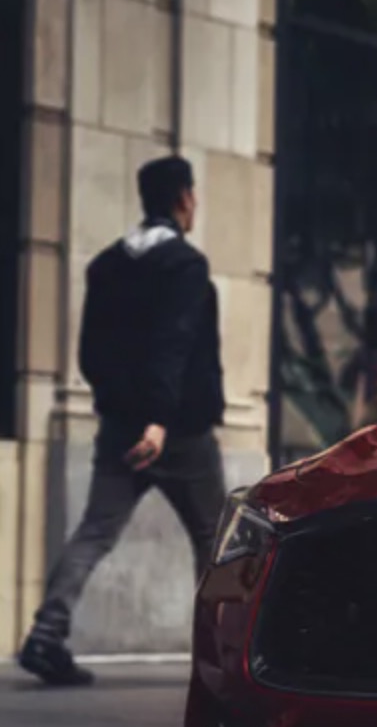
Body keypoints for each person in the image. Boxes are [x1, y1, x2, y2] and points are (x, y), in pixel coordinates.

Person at [15, 156, 226, 686]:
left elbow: (91, 354)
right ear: (183, 198)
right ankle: (220, 653)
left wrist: (122, 411)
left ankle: (45, 635)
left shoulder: (107, 266)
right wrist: (157, 420)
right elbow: (173, 345)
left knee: (94, 531)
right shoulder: (184, 266)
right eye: (193, 195)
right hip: (179, 432)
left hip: (120, 428)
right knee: (215, 538)